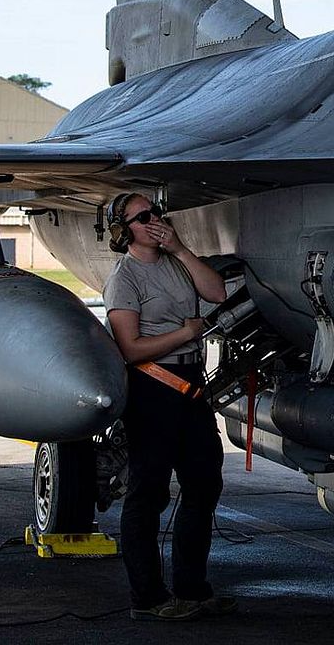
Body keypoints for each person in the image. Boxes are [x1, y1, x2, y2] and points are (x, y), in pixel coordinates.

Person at [102, 192, 236, 622]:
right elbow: (130, 348)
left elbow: (215, 291)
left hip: (191, 388)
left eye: (156, 213)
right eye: (143, 217)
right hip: (153, 389)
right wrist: (184, 335)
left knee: (204, 484)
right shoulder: (125, 279)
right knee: (148, 494)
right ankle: (148, 597)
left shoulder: (176, 261)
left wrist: (179, 246)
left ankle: (191, 589)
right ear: (125, 231)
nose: (154, 220)